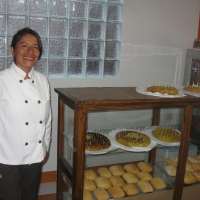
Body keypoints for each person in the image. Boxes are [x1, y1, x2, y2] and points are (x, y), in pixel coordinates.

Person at [0, 27, 52, 200]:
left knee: (30, 196)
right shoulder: (2, 80)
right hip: (7, 158)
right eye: (24, 45)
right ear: (12, 50)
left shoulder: (43, 80)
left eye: (35, 47)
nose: (30, 51)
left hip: (35, 156)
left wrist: (45, 147)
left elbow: (48, 120)